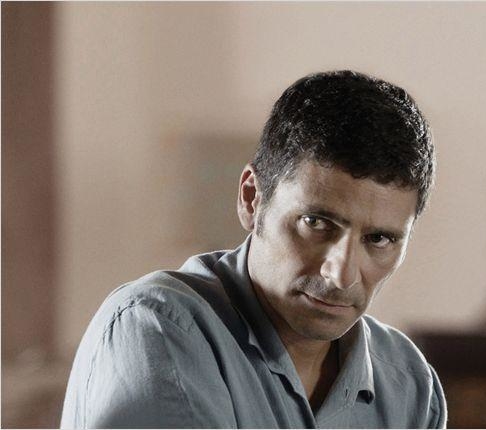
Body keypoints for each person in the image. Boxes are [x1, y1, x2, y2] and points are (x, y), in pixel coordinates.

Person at [60, 70, 447, 429]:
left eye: (379, 239)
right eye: (316, 223)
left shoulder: (408, 381)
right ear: (252, 198)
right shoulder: (158, 325)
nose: (341, 274)